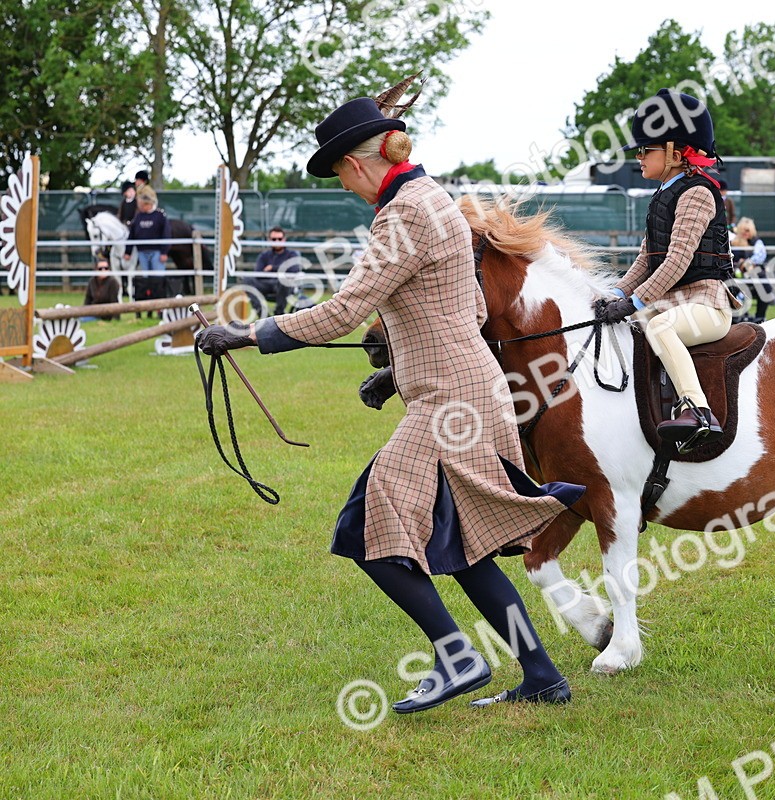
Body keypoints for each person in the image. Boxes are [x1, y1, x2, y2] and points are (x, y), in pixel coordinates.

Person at [195, 91, 583, 714]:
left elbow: (346, 310)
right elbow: (471, 310)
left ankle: (457, 658)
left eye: (340, 174)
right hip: (472, 385)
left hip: (450, 402)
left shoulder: (402, 215)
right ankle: (541, 675)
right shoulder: (439, 200)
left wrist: (244, 334)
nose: (345, 186)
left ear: (356, 162)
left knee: (369, 521)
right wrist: (399, 371)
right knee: (469, 545)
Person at [595, 89, 742, 447]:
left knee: (657, 326)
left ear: (676, 152)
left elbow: (677, 261)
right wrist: (612, 294)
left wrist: (635, 302)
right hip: (672, 303)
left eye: (647, 150)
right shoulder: (662, 196)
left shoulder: (697, 192)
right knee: (634, 327)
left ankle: (699, 411)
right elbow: (646, 261)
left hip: (707, 305)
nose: (639, 157)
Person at [126, 186, 170, 302]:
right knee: (146, 279)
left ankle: (160, 304)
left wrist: (164, 252)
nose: (140, 206)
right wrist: (128, 251)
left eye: (142, 204)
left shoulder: (160, 216)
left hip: (157, 252)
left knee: (158, 278)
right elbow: (132, 235)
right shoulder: (139, 217)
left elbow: (166, 234)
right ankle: (149, 302)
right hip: (142, 252)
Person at [247, 227, 303, 317]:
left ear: (284, 240)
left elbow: (294, 270)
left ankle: (279, 314)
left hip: (283, 285)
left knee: (284, 279)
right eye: (274, 239)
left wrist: (272, 268)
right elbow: (258, 273)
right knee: (247, 280)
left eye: (279, 239)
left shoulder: (291, 254)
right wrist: (283, 269)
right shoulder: (264, 255)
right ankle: (263, 315)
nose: (277, 241)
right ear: (269, 240)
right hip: (265, 283)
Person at [733, 217, 775, 324]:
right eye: (743, 230)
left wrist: (746, 263)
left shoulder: (757, 242)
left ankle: (760, 317)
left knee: (763, 284)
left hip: (753, 277)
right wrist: (739, 264)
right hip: (737, 277)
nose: (745, 233)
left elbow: (760, 256)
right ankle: (739, 317)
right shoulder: (732, 242)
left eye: (748, 230)